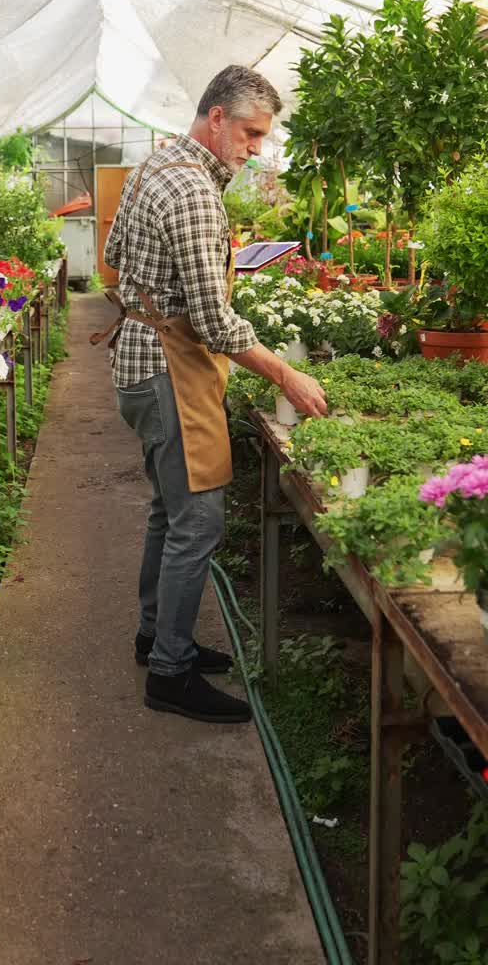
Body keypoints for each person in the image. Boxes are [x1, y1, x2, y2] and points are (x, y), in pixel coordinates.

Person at [99, 65, 327, 724]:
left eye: (262, 137)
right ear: (217, 117)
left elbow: (114, 250)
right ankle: (170, 674)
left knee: (169, 512)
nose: (256, 148)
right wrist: (285, 374)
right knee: (198, 520)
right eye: (251, 133)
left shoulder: (156, 164)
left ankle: (155, 636)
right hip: (169, 368)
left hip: (139, 361)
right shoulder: (194, 192)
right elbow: (213, 322)